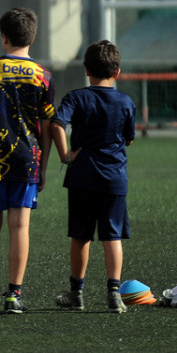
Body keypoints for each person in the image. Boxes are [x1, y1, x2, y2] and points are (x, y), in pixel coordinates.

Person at [0, 7, 55, 314]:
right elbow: (47, 127)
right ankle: (14, 295)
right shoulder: (44, 77)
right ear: (33, 37)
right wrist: (42, 167)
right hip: (27, 160)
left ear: (4, 37)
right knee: (20, 227)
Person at [51, 40, 135, 313]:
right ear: (118, 72)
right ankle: (114, 294)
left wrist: (66, 155)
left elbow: (56, 124)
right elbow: (129, 139)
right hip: (113, 178)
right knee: (112, 236)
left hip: (82, 177)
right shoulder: (125, 101)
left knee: (81, 236)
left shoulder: (76, 97)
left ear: (86, 69)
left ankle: (77, 294)